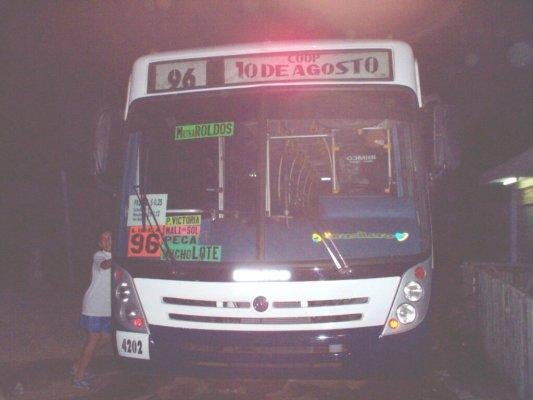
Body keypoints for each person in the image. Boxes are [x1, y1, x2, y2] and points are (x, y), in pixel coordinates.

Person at [72, 230, 113, 389]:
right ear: (100, 243)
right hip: (94, 305)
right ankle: (79, 376)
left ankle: (78, 364)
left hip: (107, 307)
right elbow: (104, 265)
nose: (108, 240)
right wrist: (118, 254)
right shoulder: (99, 255)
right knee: (94, 339)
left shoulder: (116, 257)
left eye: (110, 237)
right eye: (105, 239)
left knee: (106, 338)